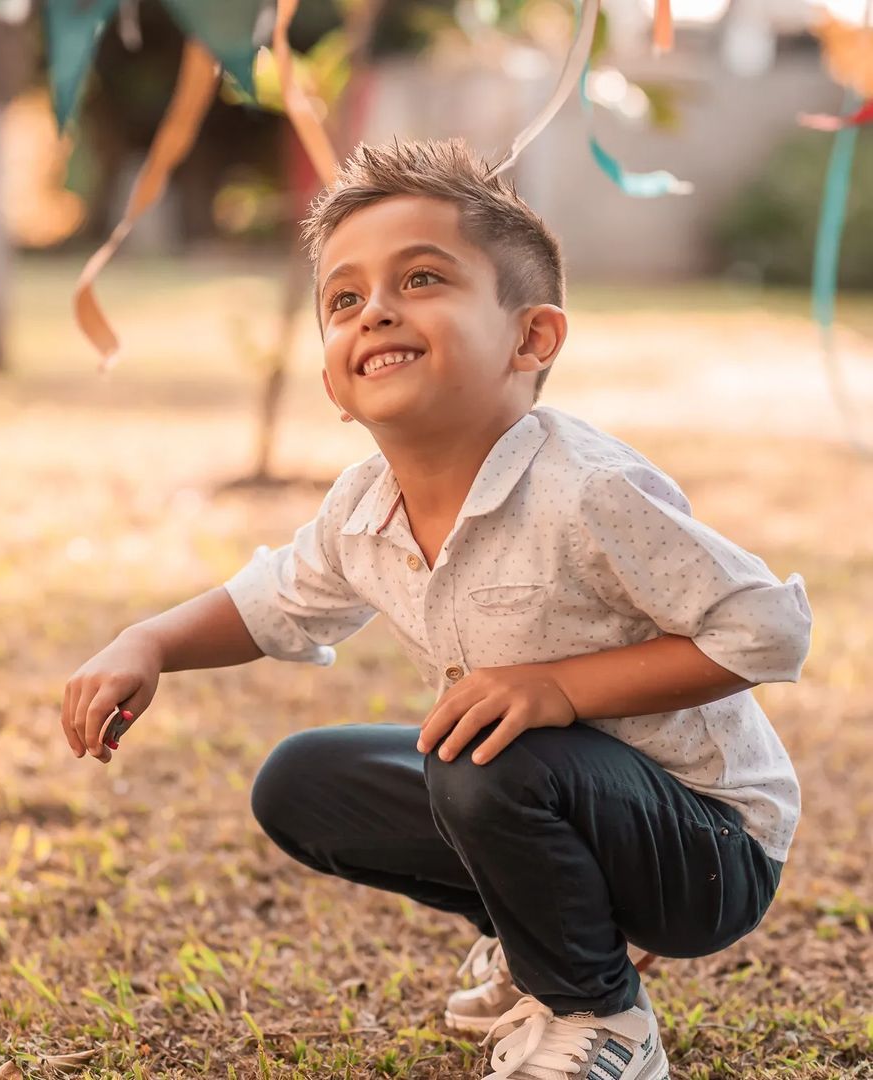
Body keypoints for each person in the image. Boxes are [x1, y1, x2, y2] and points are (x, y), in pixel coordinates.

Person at [60, 137, 812, 1080]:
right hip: (542, 793)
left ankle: (602, 1018)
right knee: (302, 780)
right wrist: (148, 644)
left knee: (484, 759)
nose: (375, 309)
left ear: (531, 338)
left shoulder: (587, 489)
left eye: (420, 279)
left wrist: (556, 688)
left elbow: (769, 629)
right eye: (344, 298)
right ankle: (546, 942)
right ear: (334, 381)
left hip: (705, 848)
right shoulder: (364, 509)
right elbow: (268, 602)